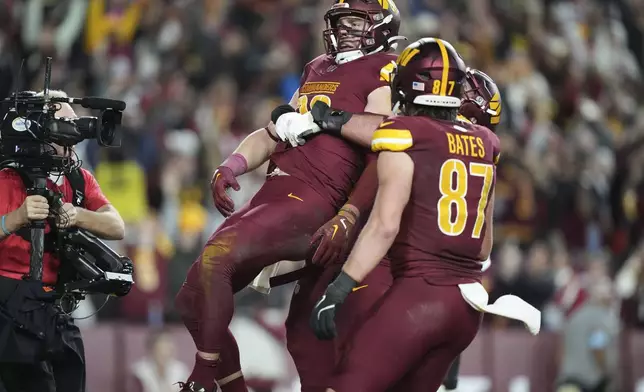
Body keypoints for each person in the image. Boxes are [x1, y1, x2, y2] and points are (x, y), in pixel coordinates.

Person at [173, 1, 404, 391]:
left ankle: (202, 376)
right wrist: (232, 164)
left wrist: (348, 212)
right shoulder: (317, 67)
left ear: (381, 27)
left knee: (217, 259)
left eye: (356, 21)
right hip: (274, 192)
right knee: (192, 299)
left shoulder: (384, 67)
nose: (345, 29)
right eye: (341, 21)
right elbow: (273, 131)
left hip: (314, 197)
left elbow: (385, 138)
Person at [309, 38, 500, 392]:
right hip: (467, 310)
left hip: (420, 295)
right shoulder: (486, 142)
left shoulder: (405, 133)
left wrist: (338, 289)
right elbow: (483, 247)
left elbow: (383, 226)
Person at [0, 90, 125, 392]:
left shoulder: (78, 178)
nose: (75, 133)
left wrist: (79, 215)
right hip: (8, 306)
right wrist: (14, 219)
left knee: (72, 376)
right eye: (65, 125)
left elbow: (117, 226)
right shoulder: (6, 177)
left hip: (54, 306)